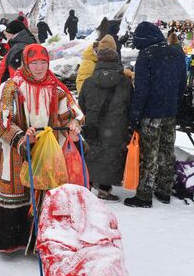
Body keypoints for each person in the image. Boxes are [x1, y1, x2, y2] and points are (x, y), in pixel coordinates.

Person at [0, 44, 84, 253]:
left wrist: (74, 125)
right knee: (19, 191)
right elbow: (1, 121)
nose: (39, 68)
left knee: (46, 193)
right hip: (15, 152)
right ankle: (13, 239)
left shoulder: (56, 89)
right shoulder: (11, 87)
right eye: (34, 63)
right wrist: (21, 137)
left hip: (48, 151)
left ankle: (43, 240)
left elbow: (71, 114)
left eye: (43, 63)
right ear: (26, 64)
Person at [124, 21, 187, 208]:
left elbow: (141, 90)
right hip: (170, 111)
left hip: (151, 113)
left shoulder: (147, 56)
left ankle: (144, 195)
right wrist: (175, 104)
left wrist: (134, 116)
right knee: (167, 151)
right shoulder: (177, 53)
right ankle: (164, 190)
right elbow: (182, 84)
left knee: (149, 153)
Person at [79, 35, 132, 201]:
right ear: (116, 56)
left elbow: (81, 105)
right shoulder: (125, 82)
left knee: (94, 150)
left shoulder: (89, 82)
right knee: (111, 153)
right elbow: (131, 104)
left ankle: (91, 181)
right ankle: (104, 188)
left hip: (93, 124)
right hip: (116, 125)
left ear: (98, 56)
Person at [0, 20, 37, 90]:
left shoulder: (17, 49)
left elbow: (14, 76)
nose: (6, 37)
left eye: (6, 34)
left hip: (15, 94)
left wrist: (1, 94)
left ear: (12, 34)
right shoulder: (30, 43)